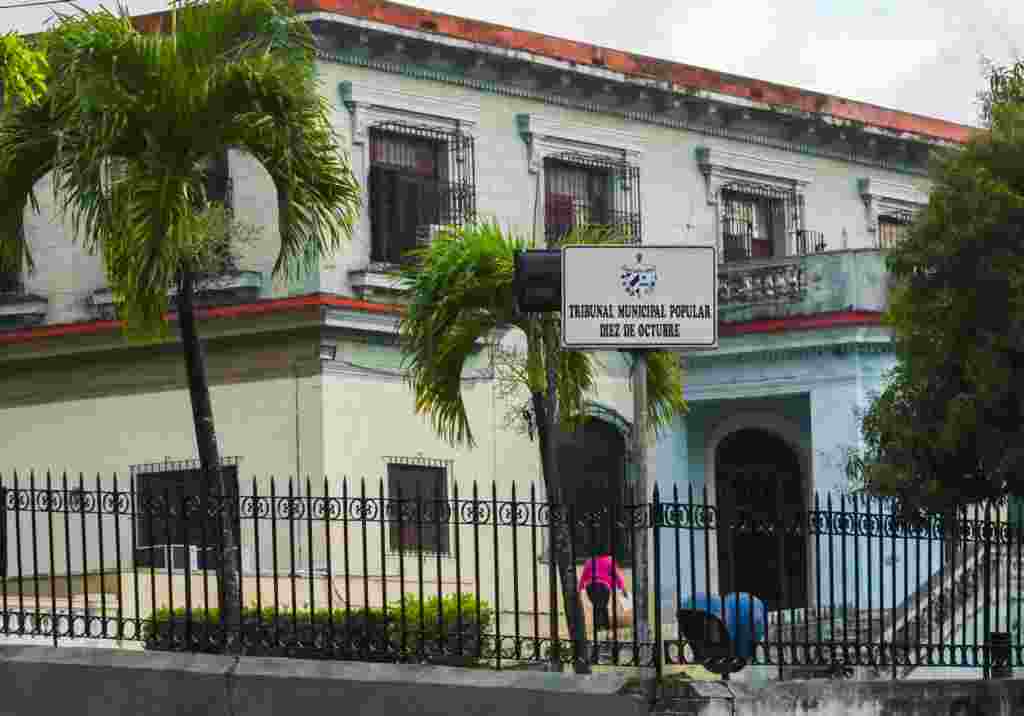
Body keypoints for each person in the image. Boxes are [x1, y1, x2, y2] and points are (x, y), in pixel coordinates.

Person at [577, 555, 630, 634]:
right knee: (603, 607)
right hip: (603, 586)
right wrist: (623, 589)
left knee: (597, 607)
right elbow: (616, 575)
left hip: (591, 587)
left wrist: (579, 589)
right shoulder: (609, 560)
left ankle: (598, 626)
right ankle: (605, 626)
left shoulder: (590, 561)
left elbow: (584, 576)